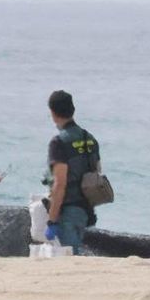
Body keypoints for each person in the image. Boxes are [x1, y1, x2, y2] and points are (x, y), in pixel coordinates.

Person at [43, 90, 100, 255]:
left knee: (68, 257)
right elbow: (95, 175)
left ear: (53, 113)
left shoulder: (59, 142)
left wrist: (52, 221)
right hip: (85, 211)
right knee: (77, 255)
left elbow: (60, 184)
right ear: (72, 110)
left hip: (67, 211)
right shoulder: (89, 138)